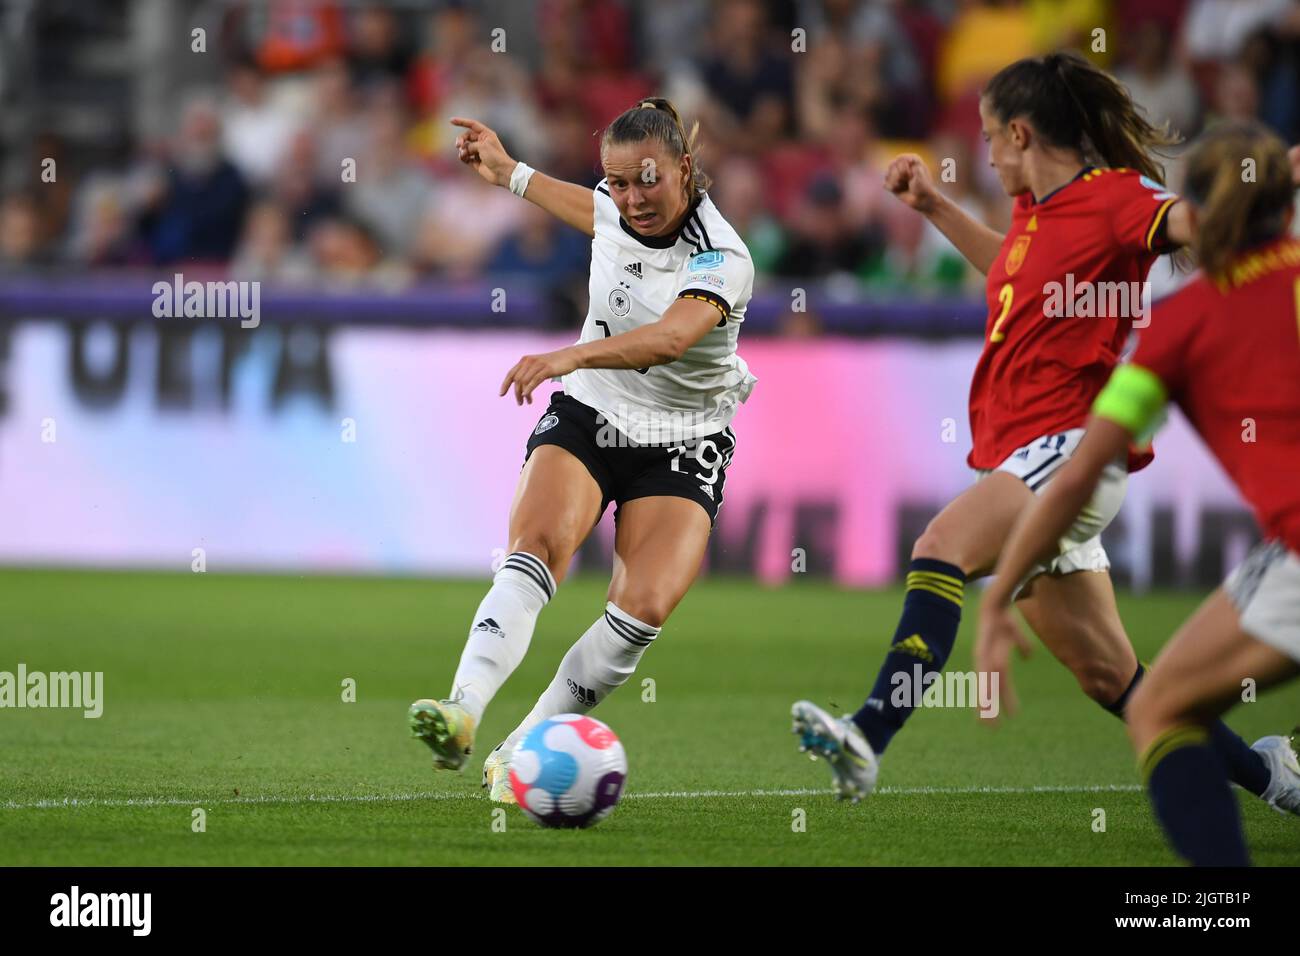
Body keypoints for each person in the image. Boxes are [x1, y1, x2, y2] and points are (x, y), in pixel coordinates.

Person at [791, 52, 1276, 811]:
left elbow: (1188, 221)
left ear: (1020, 133)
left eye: (989, 137)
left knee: (939, 549)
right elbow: (1012, 276)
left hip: (1072, 449)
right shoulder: (1033, 214)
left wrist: (1268, 180)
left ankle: (868, 735)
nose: (984, 154)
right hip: (1021, 456)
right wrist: (934, 207)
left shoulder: (1117, 200)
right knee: (1117, 682)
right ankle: (1277, 779)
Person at [408, 99, 757, 803]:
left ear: (685, 168)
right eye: (618, 183)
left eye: (647, 181)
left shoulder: (724, 256)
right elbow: (590, 210)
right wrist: (508, 172)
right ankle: (462, 709)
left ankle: (520, 752)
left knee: (643, 609)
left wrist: (569, 355)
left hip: (682, 438)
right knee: (537, 543)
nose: (630, 200)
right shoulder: (614, 204)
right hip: (595, 409)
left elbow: (669, 340)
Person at [977, 123, 1300, 864]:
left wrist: (996, 598)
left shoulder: (1180, 326)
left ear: (1198, 212)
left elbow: (1076, 476)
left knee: (1160, 706)